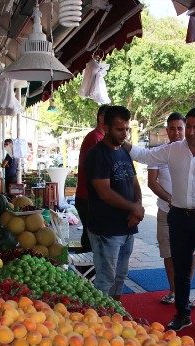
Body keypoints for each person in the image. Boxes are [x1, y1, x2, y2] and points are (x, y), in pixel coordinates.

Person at [124, 107, 195, 337]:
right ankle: (182, 313)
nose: (191, 132)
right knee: (181, 271)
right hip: (179, 218)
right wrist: (122, 141)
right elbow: (145, 156)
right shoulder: (173, 150)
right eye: (190, 127)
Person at [84, 106, 143, 301]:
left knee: (120, 277)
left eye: (126, 129)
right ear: (106, 127)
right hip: (106, 230)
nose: (124, 134)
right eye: (119, 129)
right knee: (105, 279)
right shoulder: (97, 154)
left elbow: (134, 183)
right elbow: (105, 193)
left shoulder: (123, 151)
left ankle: (116, 313)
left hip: (127, 227)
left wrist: (138, 206)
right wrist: (134, 208)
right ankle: (99, 316)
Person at [147, 112, 195, 307]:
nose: (176, 132)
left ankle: (185, 291)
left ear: (185, 129)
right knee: (168, 252)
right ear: (166, 130)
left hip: (190, 213)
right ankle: (174, 291)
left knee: (192, 252)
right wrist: (170, 199)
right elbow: (152, 182)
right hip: (165, 211)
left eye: (180, 128)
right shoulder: (158, 153)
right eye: (172, 128)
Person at [76, 105, 109, 252]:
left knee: (91, 235)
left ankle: (88, 264)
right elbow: (95, 170)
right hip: (88, 197)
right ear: (101, 119)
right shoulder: (95, 138)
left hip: (90, 197)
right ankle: (89, 264)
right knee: (92, 237)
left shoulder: (100, 137)